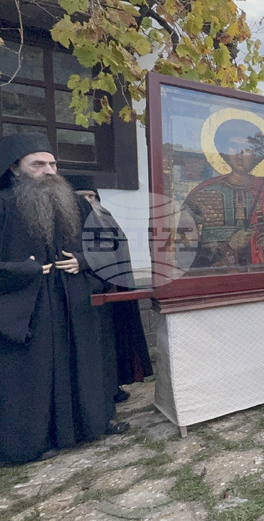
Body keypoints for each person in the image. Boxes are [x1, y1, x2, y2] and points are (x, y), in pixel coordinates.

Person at [0, 133, 125, 465]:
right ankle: (38, 439)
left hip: (76, 298)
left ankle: (93, 423)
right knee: (38, 371)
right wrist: (20, 270)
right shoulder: (2, 206)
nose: (49, 170)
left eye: (53, 163)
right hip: (31, 305)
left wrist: (83, 261)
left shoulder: (78, 203)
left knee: (85, 360)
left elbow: (110, 245)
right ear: (15, 167)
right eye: (38, 164)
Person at [67, 175, 153, 403]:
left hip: (113, 289)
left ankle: (113, 386)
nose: (87, 201)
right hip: (86, 294)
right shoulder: (66, 223)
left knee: (113, 343)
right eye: (81, 197)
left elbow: (117, 249)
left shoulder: (105, 216)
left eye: (90, 196)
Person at [183, 119, 264, 268]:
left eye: (247, 149)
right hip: (218, 281)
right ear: (223, 152)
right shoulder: (202, 195)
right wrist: (228, 245)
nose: (240, 155)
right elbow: (184, 253)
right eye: (233, 147)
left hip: (263, 278)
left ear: (256, 154)